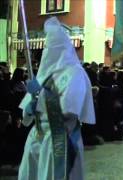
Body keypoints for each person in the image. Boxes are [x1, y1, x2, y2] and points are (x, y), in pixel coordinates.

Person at [18, 17, 95, 180]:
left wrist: (42, 101)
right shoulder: (43, 74)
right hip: (37, 138)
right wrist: (29, 109)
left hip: (59, 139)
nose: (48, 50)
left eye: (52, 47)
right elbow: (26, 115)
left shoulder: (75, 74)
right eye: (47, 47)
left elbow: (69, 111)